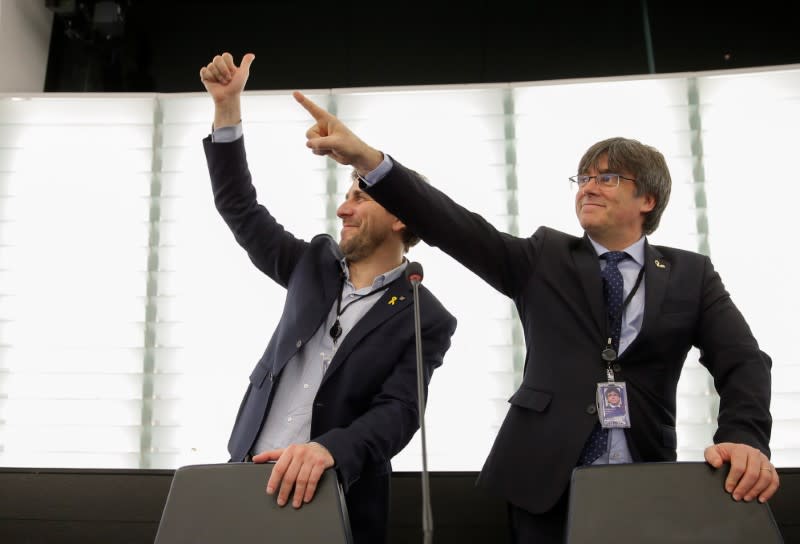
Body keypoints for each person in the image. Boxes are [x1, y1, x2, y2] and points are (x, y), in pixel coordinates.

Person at [289, 91, 780, 543]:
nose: (589, 187)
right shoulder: (545, 257)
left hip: (643, 478)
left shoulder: (690, 274)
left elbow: (744, 360)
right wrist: (367, 161)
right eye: (583, 177)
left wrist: (743, 439)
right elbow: (451, 223)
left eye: (607, 177)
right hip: (543, 480)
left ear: (647, 200)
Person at [198, 52, 457, 544]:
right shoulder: (310, 265)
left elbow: (399, 411)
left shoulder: (427, 317)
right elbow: (239, 206)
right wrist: (226, 109)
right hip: (245, 475)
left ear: (401, 217)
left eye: (360, 197)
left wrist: (329, 449)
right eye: (347, 195)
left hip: (332, 494)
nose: (344, 207)